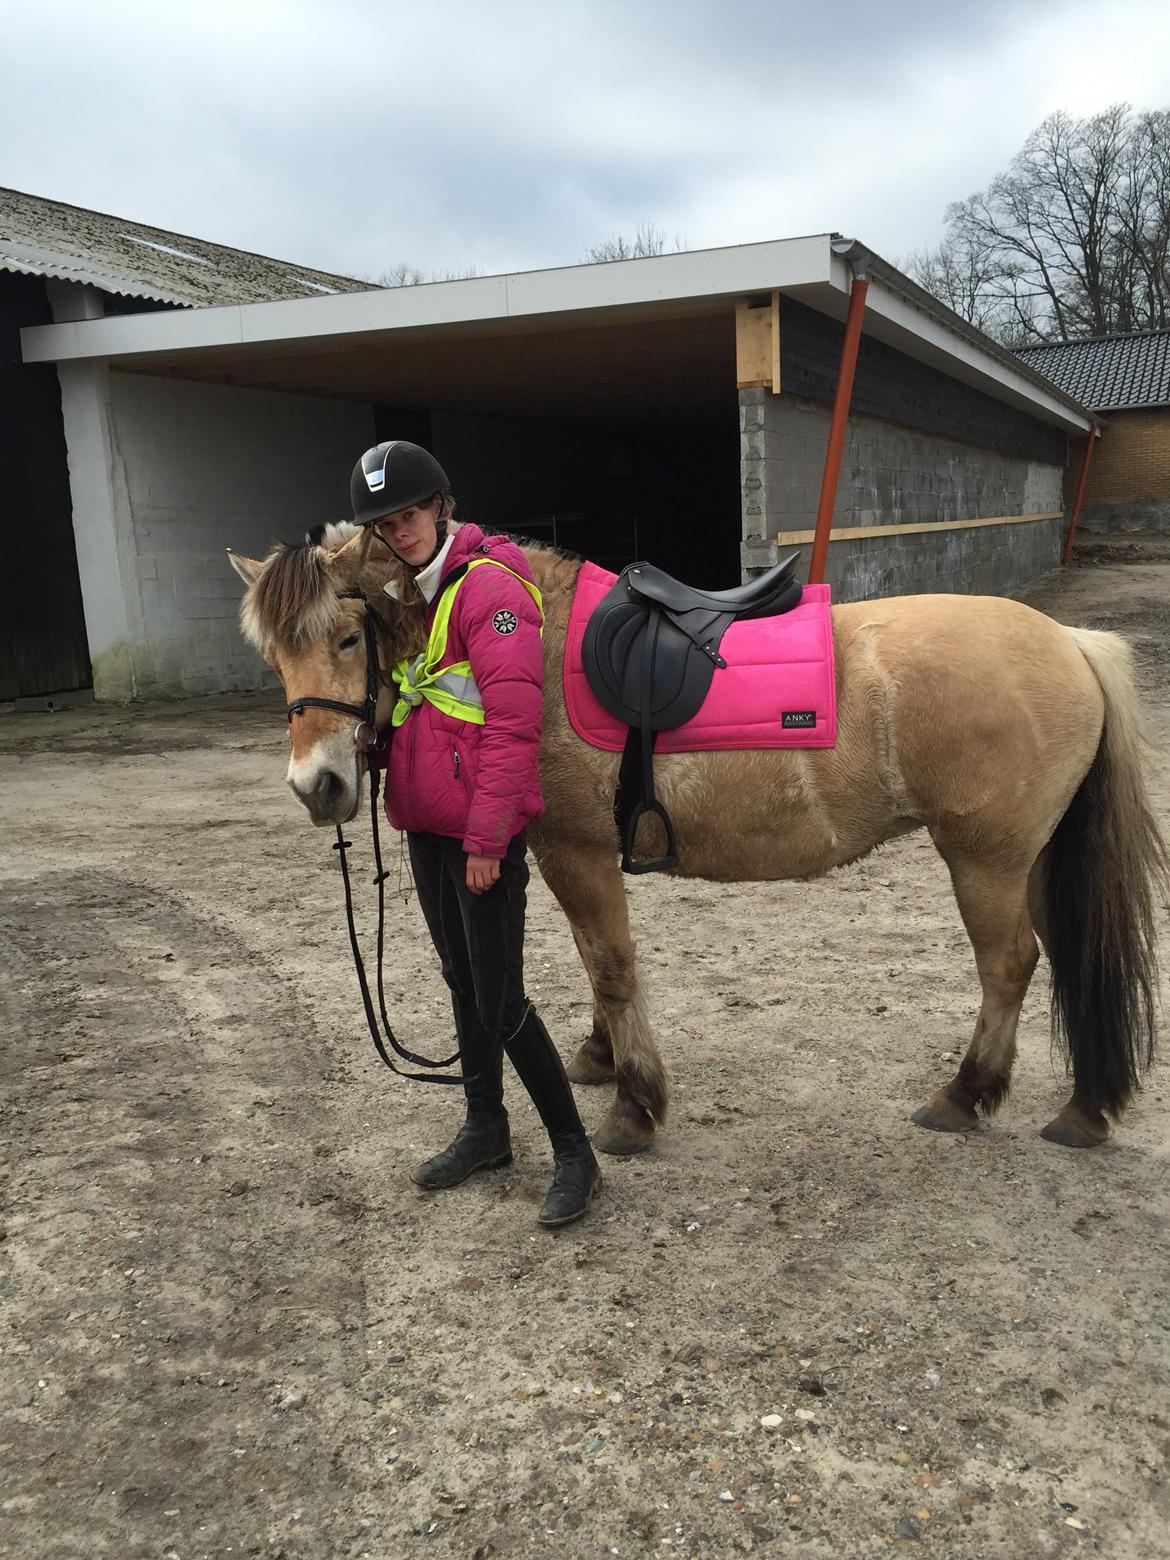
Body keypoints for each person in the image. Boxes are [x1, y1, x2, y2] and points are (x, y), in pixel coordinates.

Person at [351, 440, 601, 1228]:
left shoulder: (490, 590)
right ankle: (487, 1128)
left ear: (440, 508)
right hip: (427, 826)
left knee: (500, 1000)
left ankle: (575, 1153)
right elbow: (428, 705)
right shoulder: (414, 598)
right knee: (464, 983)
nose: (403, 531)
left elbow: (513, 726)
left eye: (411, 514)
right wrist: (376, 746)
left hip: (477, 836)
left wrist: (490, 840)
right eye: (388, 524)